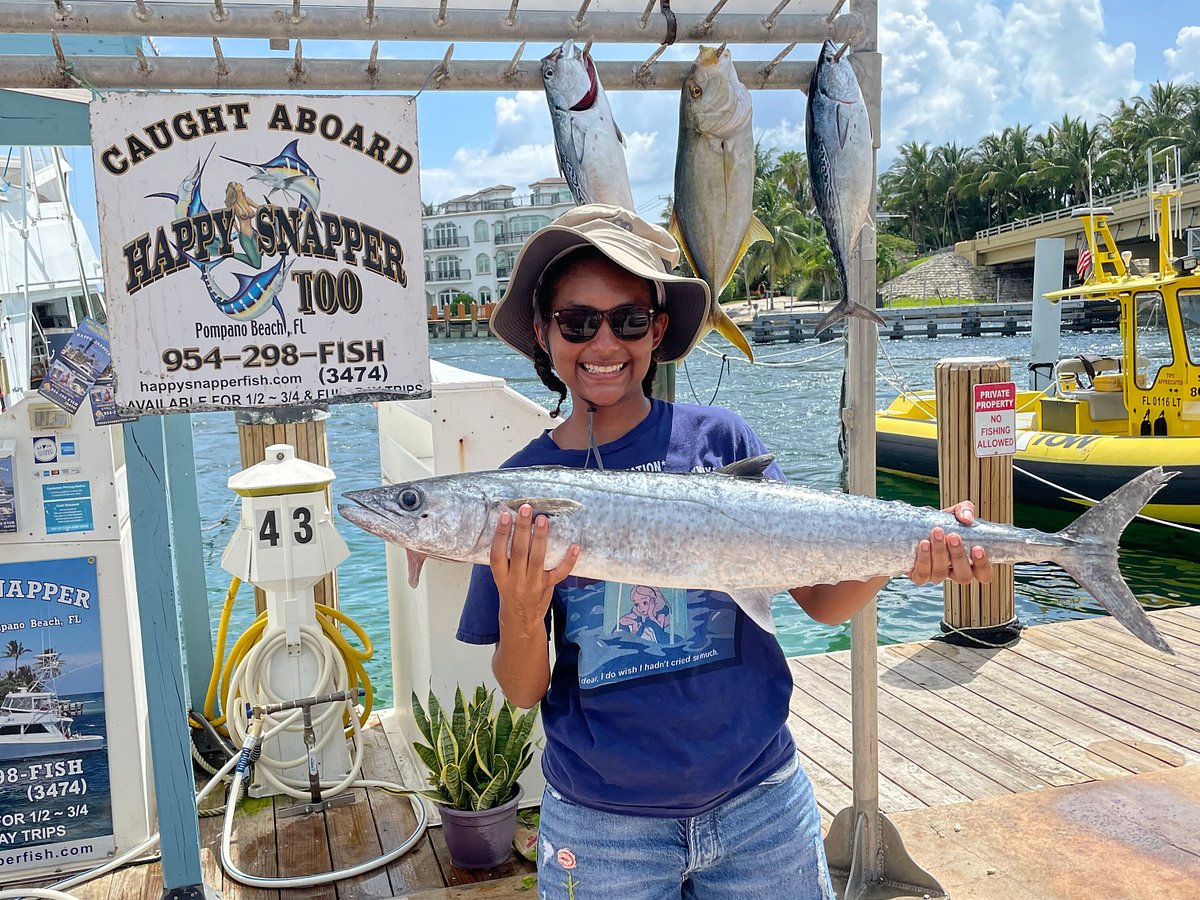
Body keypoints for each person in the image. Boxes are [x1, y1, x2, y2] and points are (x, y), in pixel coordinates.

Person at [456, 204, 992, 899]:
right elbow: (522, 688)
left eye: (627, 319)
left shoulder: (720, 440)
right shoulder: (515, 496)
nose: (603, 342)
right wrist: (523, 612)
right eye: (578, 322)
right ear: (543, 332)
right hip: (602, 823)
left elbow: (824, 606)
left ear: (657, 329)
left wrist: (902, 557)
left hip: (759, 803)